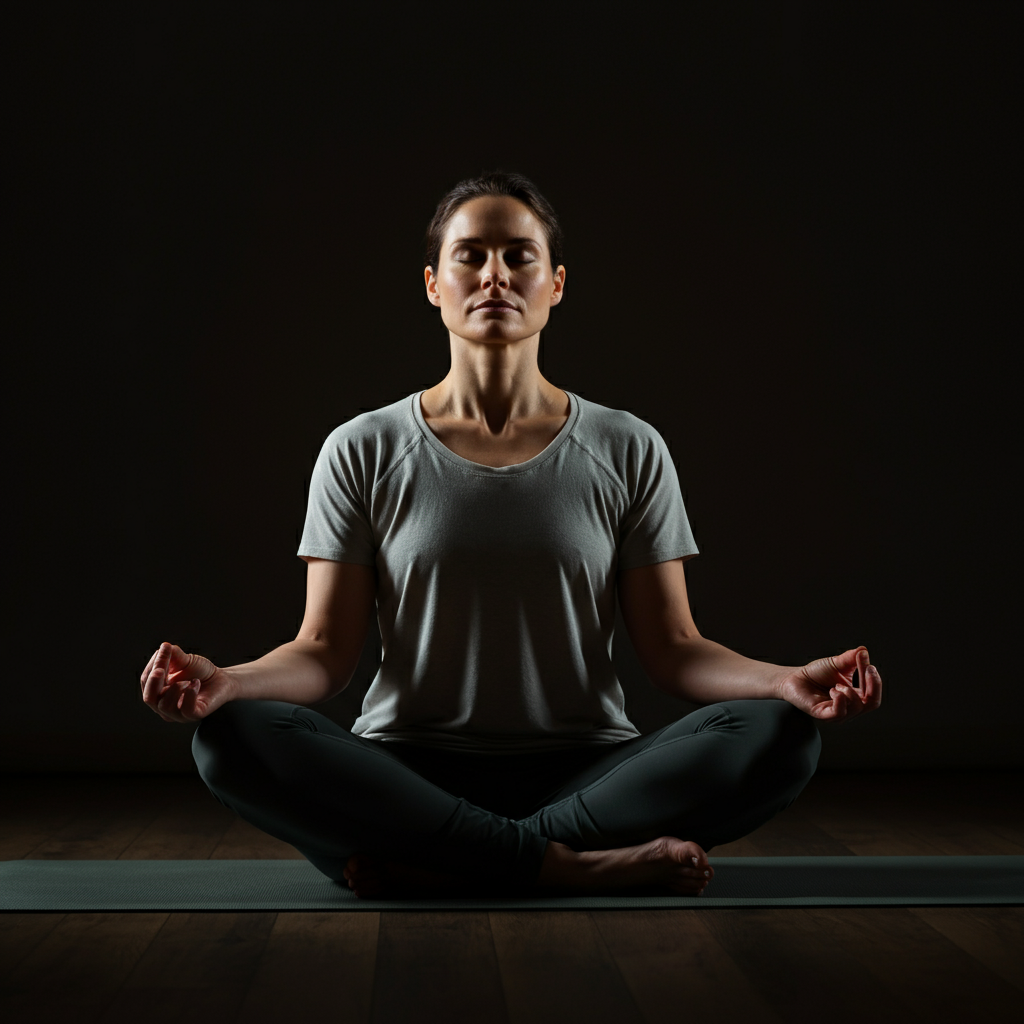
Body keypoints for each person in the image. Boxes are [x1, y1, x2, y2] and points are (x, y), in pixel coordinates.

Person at [140, 170, 883, 899]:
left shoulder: (629, 447)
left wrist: (785, 681)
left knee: (781, 735)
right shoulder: (360, 448)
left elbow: (676, 651)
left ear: (555, 283)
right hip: (405, 771)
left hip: (590, 772)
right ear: (434, 283)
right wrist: (227, 683)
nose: (494, 275)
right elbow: (323, 654)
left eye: (518, 256)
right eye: (471, 255)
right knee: (230, 737)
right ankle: (565, 867)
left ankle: (455, 862)